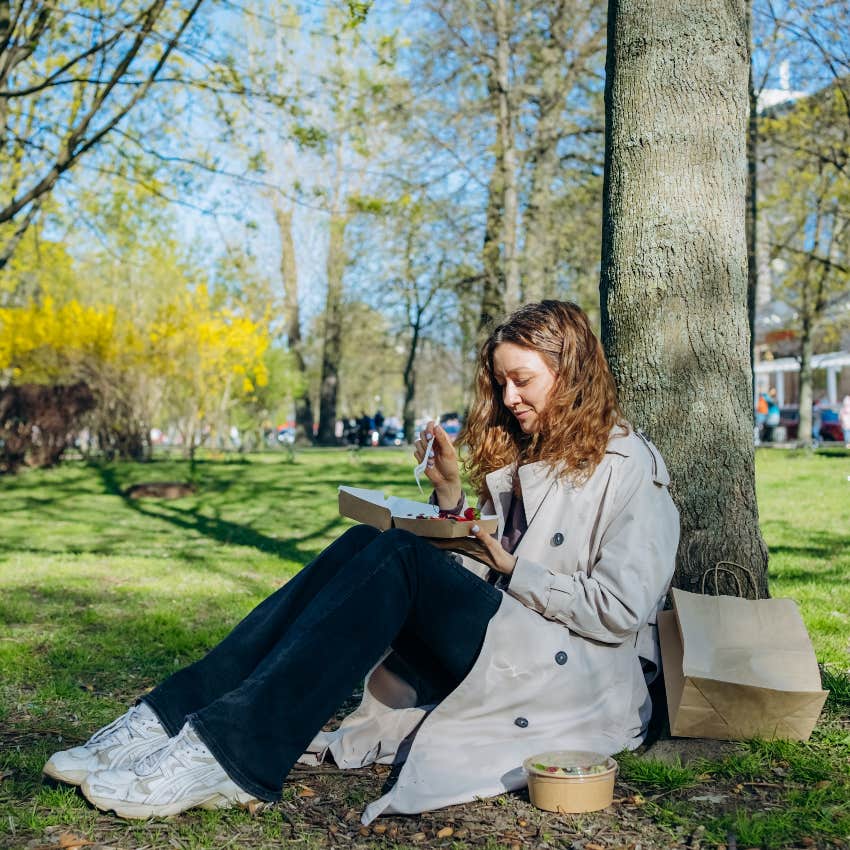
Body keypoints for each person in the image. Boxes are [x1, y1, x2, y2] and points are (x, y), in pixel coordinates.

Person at [43, 300, 679, 822]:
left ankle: (233, 756)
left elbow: (620, 612)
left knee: (397, 557)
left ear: (572, 372)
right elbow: (474, 577)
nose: (509, 396)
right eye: (501, 381)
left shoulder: (632, 469)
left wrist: (514, 570)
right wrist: (453, 498)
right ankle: (170, 717)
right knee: (366, 544)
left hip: (569, 678)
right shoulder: (529, 454)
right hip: (506, 645)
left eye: (524, 380)